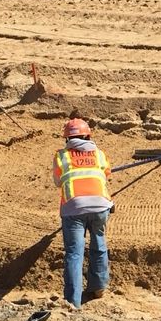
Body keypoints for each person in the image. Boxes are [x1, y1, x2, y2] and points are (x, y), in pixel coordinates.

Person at [51, 117, 114, 307]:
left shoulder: (61, 156)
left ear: (67, 139)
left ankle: (72, 302)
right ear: (88, 135)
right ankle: (98, 287)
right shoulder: (99, 154)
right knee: (99, 244)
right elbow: (106, 173)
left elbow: (57, 181)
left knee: (74, 253)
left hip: (73, 209)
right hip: (100, 207)